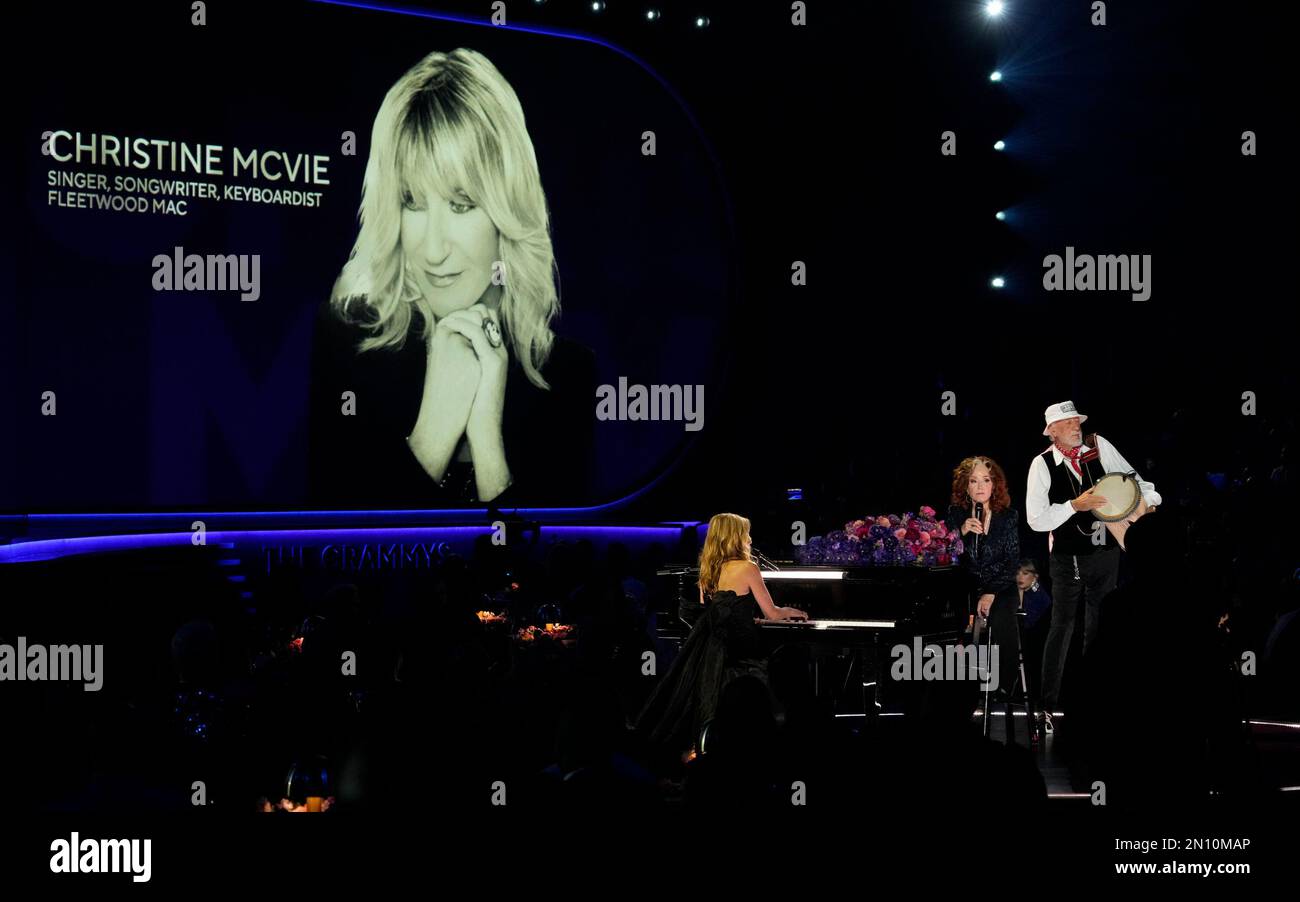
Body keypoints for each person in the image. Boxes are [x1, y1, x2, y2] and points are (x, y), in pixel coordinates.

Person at [308, 48, 595, 508]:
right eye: (412, 202)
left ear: (506, 209)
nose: (434, 248)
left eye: (461, 205)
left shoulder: (566, 374)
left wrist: (486, 440)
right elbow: (336, 557)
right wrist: (435, 428)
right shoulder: (346, 343)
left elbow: (550, 569)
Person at [633, 513, 807, 762]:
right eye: (746, 533)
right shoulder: (748, 568)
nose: (749, 538)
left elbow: (715, 614)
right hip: (742, 651)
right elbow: (772, 613)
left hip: (713, 651)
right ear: (735, 537)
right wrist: (791, 611)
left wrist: (750, 619)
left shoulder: (708, 571)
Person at [1027, 400, 1160, 724]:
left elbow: (1137, 482)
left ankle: (1095, 701)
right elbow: (1036, 519)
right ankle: (1047, 704)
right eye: (1068, 423)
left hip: (1106, 553)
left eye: (1078, 422)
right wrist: (1074, 505)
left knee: (1100, 625)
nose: (1076, 427)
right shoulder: (1042, 464)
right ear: (1052, 431)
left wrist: (1147, 505)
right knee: (1063, 626)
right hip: (1068, 557)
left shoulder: (1098, 448)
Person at [944, 456, 1021, 704]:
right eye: (973, 481)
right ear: (965, 487)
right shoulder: (956, 514)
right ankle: (957, 686)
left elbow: (1012, 561)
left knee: (1003, 622)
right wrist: (962, 531)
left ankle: (1004, 686)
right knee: (950, 621)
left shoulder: (1008, 517)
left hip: (999, 586)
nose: (980, 486)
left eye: (985, 480)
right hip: (965, 585)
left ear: (994, 484)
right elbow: (944, 552)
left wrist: (990, 592)